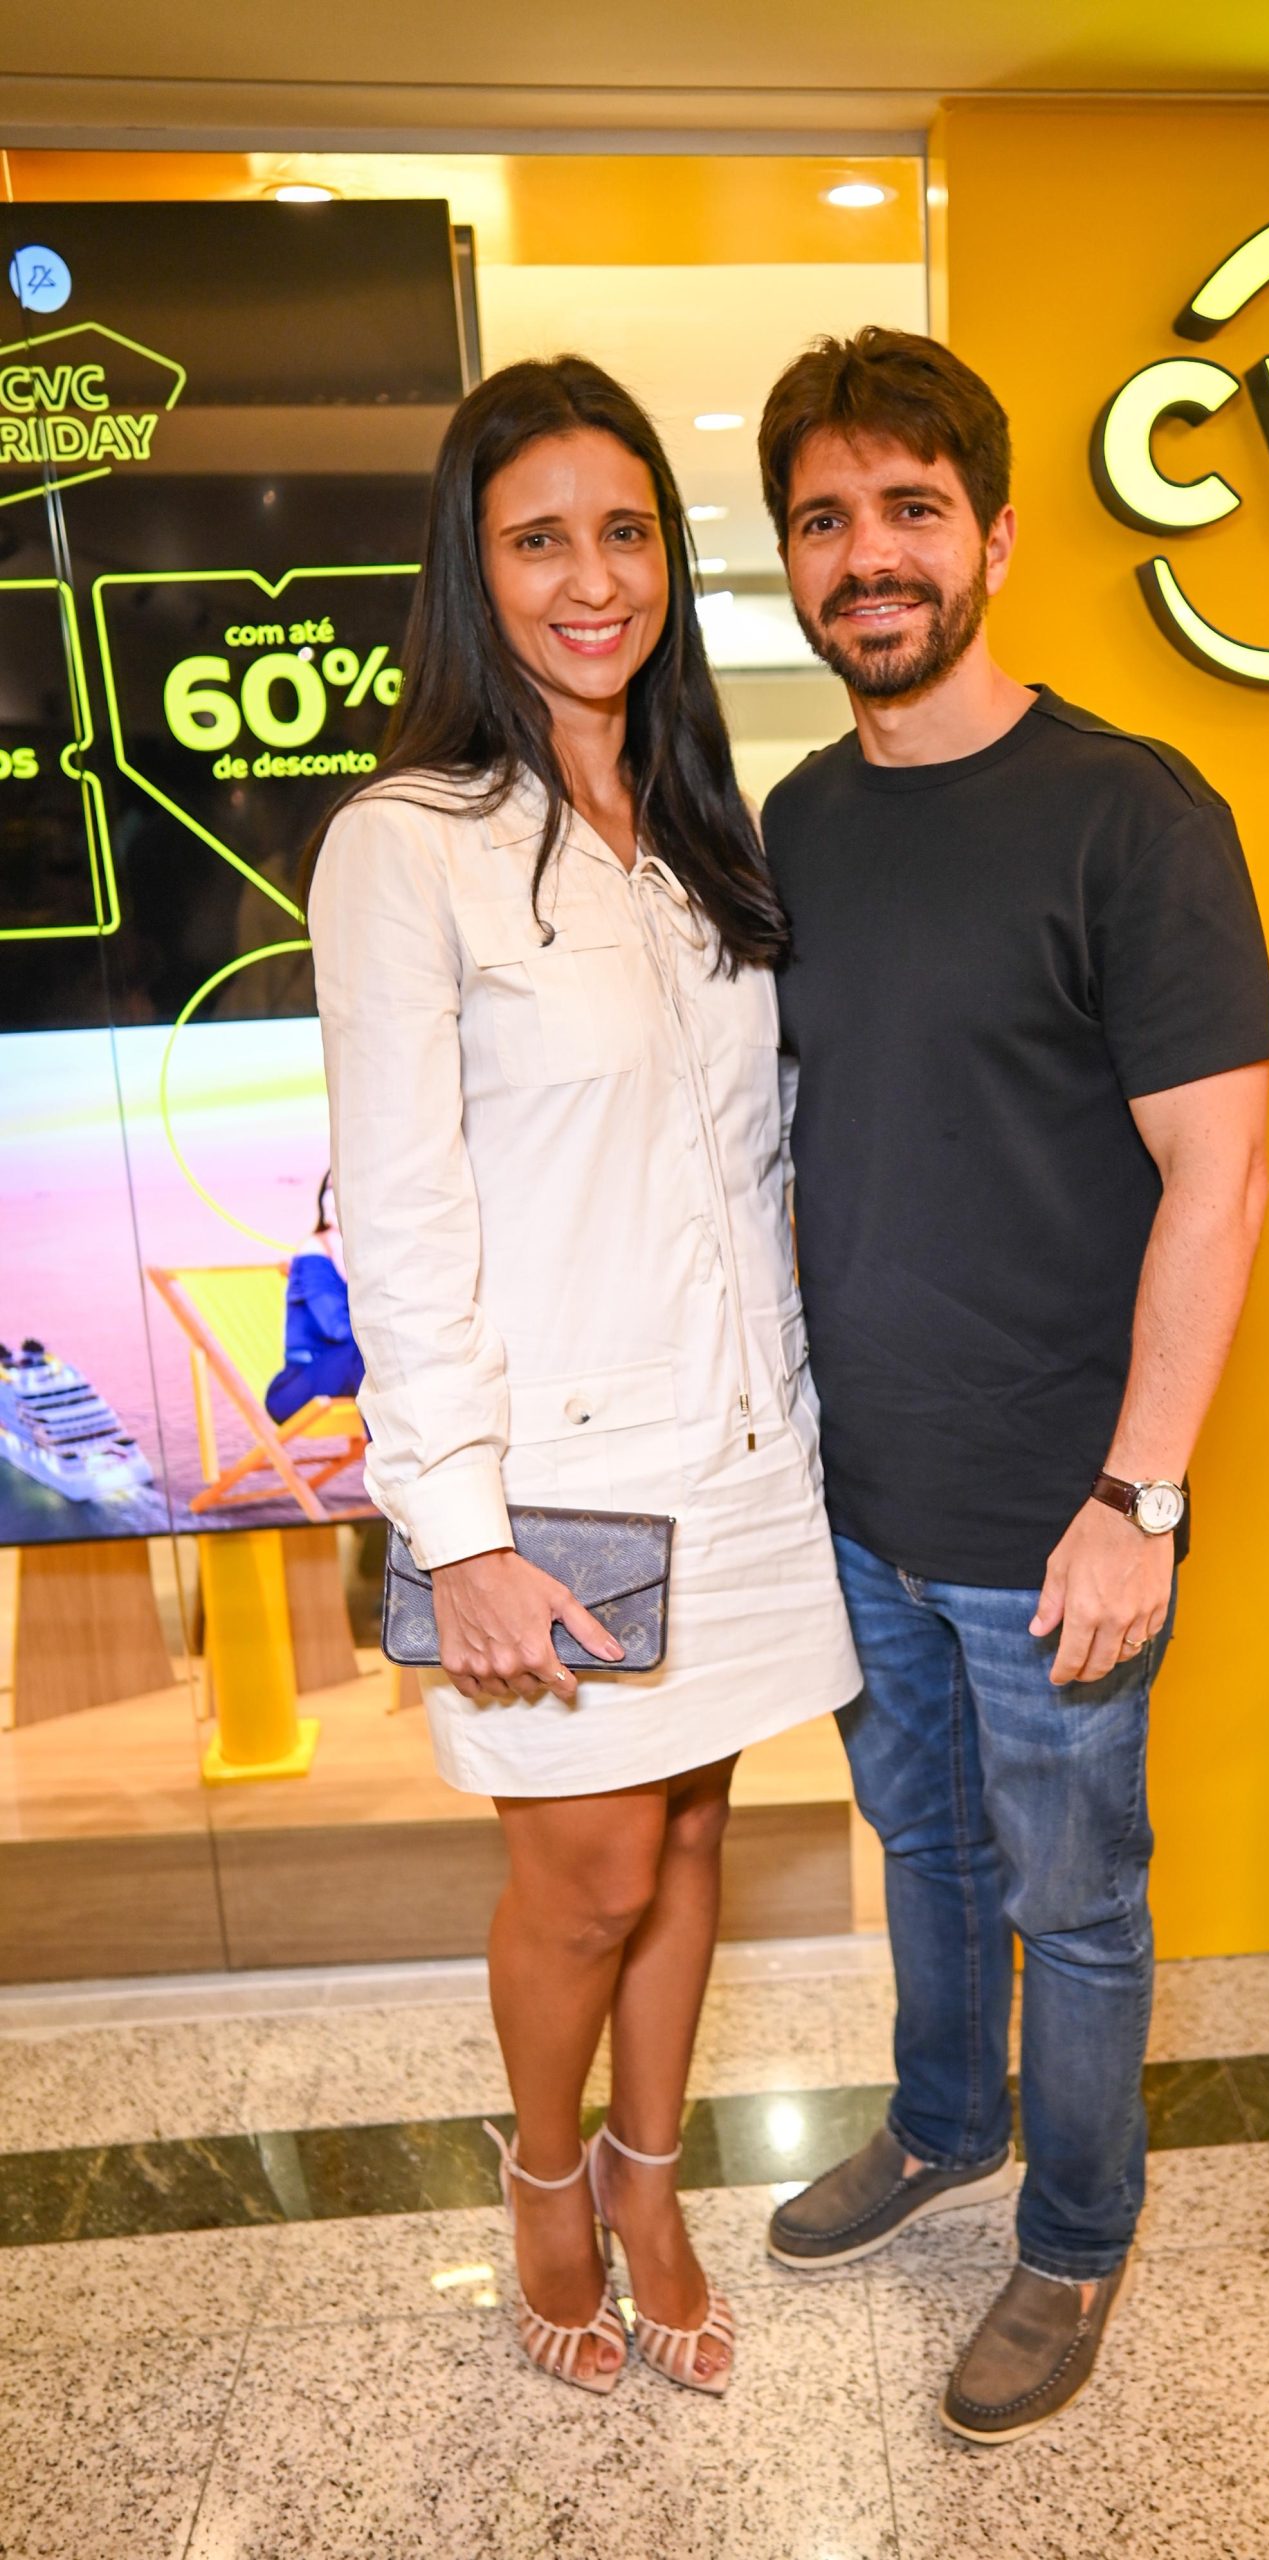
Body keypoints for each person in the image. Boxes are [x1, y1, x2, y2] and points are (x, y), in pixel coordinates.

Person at [307, 354, 860, 2399]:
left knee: (696, 1837)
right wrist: (454, 1532)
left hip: (741, 1445)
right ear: (474, 572)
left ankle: (651, 2172)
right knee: (590, 1871)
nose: (592, 577)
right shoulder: (407, 846)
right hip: (549, 1476)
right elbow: (401, 1211)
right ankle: (546, 2174)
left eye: (624, 531)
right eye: (538, 540)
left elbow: (753, 1169)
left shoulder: (704, 839)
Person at [755, 327, 1269, 2444]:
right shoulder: (800, 819)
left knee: (1076, 1896)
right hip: (861, 1494)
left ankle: (1071, 2236)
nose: (866, 555)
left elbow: (1223, 1175)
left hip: (1063, 1512)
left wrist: (1139, 1496)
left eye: (909, 508)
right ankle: (944, 2121)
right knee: (925, 1845)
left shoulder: (1130, 814)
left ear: (994, 536)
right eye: (824, 519)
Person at [264, 1172, 363, 1424]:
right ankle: (396, 1447)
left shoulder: (362, 1251)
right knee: (375, 1350)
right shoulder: (314, 1253)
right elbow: (338, 1328)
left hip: (346, 1373)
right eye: (331, 1187)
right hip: (297, 1385)